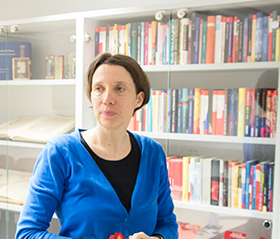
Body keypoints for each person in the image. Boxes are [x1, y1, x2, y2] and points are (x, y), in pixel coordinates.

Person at [16, 53, 178, 239]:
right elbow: (27, 234)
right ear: (91, 97)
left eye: (120, 88)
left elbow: (167, 224)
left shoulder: (152, 152)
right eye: (99, 89)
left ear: (139, 99)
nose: (107, 99)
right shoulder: (60, 152)